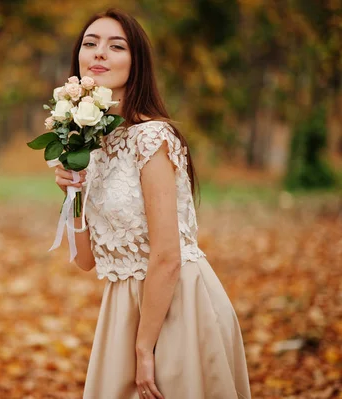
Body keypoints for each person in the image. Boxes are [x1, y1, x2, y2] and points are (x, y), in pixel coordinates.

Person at [53, 9, 252, 399]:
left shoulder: (152, 138)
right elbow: (85, 259)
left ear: (136, 61)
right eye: (90, 44)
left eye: (116, 46)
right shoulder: (93, 144)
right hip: (121, 309)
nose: (99, 54)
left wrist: (145, 348)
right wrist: (72, 194)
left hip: (175, 304)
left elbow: (167, 256)